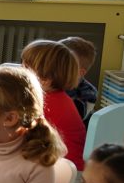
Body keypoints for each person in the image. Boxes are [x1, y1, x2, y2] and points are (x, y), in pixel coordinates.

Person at [23, 39, 87, 170]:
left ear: (45, 80)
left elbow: (17, 137)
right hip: (68, 166)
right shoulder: (59, 97)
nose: (20, 71)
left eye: (25, 68)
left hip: (63, 171)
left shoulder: (44, 103)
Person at [60, 36, 98, 122]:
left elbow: (75, 118)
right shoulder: (52, 81)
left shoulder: (88, 91)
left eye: (64, 65)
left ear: (80, 72)